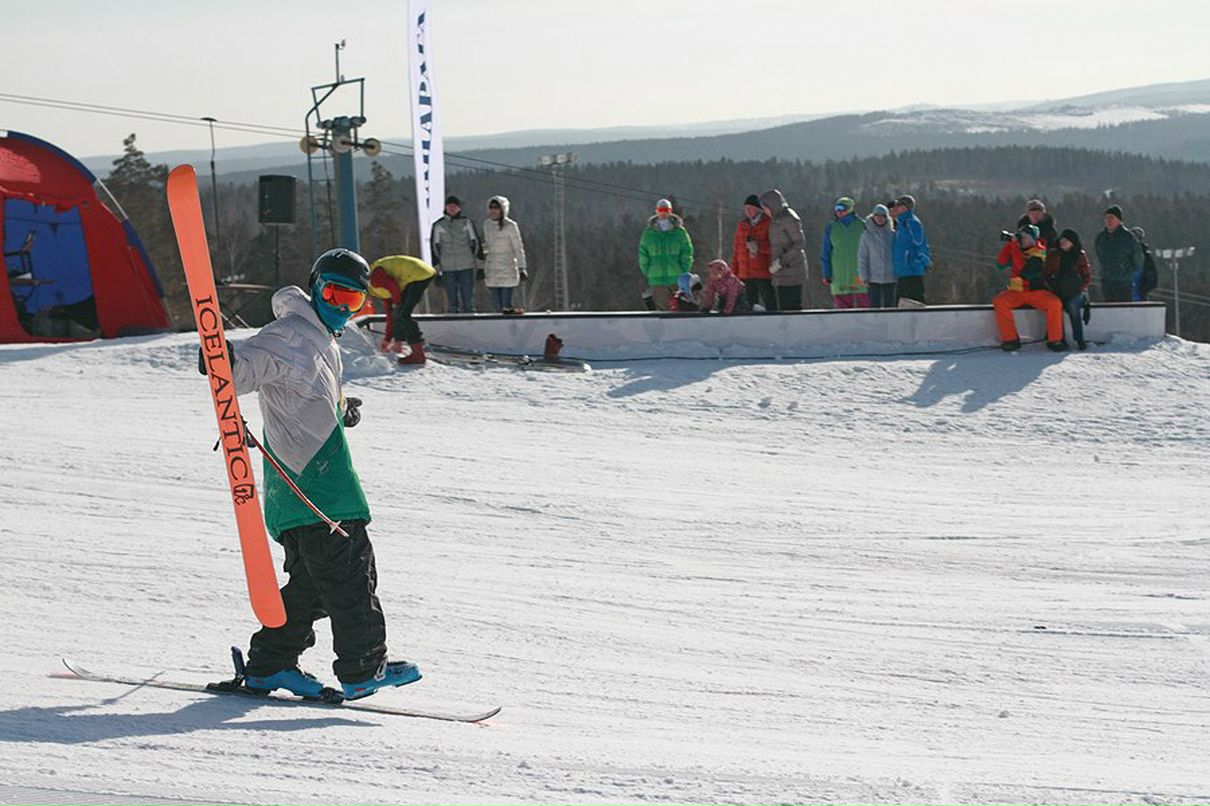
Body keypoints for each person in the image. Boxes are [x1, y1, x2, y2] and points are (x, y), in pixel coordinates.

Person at [220, 248, 421, 701]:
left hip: (305, 488)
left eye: (352, 301)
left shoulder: (319, 340)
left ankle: (270, 665)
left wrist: (339, 410)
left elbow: (299, 391)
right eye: (332, 292)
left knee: (312, 587)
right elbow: (246, 370)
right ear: (314, 287)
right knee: (352, 578)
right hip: (316, 490)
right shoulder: (290, 334)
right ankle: (363, 667)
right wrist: (223, 360)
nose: (339, 305)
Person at [992, 225, 1066, 352]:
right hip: (1016, 291)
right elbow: (1000, 264)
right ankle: (1010, 339)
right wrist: (1010, 245)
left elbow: (1024, 271)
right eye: (1021, 237)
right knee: (1000, 302)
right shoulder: (1017, 248)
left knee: (1054, 303)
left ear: (1033, 239)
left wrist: (1014, 246)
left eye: (1025, 237)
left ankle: (1055, 340)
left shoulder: (1039, 251)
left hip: (1036, 292)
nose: (1022, 240)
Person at [369, 254, 437, 364]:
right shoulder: (377, 289)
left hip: (418, 274)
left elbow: (393, 286)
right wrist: (389, 339)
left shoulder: (374, 279)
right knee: (400, 313)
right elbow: (391, 315)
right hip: (418, 273)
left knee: (403, 314)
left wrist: (399, 306)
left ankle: (418, 355)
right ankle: (414, 349)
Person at [430, 195, 483, 313]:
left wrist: (480, 266)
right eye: (450, 206)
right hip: (447, 268)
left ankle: (471, 324)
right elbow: (434, 249)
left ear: (459, 208)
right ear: (445, 208)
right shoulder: (438, 225)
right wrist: (437, 271)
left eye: (455, 206)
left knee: (468, 300)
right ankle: (453, 325)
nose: (452, 208)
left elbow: (477, 244)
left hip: (466, 266)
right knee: (452, 302)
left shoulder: (467, 222)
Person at [638, 198, 694, 310]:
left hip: (676, 277)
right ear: (657, 211)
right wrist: (647, 270)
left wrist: (683, 270)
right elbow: (643, 253)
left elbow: (687, 252)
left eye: (666, 209)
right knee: (662, 308)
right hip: (656, 278)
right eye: (661, 209)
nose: (663, 212)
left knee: (678, 307)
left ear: (670, 211)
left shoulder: (679, 232)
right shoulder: (648, 233)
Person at [1043, 228, 1093, 351]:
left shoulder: (1079, 255)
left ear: (1073, 243)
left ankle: (1079, 338)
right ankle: (1059, 338)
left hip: (1077, 291)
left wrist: (1079, 288)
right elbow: (1046, 273)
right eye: (1063, 239)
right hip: (1058, 289)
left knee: (1072, 306)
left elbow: (1086, 276)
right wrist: (1053, 287)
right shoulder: (1053, 254)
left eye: (1067, 240)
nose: (1063, 242)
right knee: (1056, 306)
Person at [759, 188, 808, 311]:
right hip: (782, 272)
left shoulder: (788, 218)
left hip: (792, 270)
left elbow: (799, 243)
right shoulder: (776, 219)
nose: (765, 212)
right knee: (784, 307)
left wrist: (781, 261)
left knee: (792, 307)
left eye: (765, 208)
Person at [820, 196, 869, 308]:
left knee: (865, 306)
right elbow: (825, 252)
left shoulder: (862, 225)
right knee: (843, 309)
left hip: (859, 274)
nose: (839, 211)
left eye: (842, 208)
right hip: (839, 274)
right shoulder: (832, 228)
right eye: (837, 208)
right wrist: (826, 273)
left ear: (850, 209)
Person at [481, 195, 528, 313]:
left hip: (507, 267)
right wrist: (481, 254)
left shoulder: (511, 226)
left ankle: (510, 326)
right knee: (496, 305)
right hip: (492, 268)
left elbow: (518, 247)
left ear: (503, 209)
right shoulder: (487, 225)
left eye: (496, 207)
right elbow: (488, 245)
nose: (493, 210)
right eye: (491, 207)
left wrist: (522, 267)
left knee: (506, 304)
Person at [731, 194, 777, 311]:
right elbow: (736, 250)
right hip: (744, 273)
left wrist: (759, 247)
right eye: (746, 209)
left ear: (759, 209)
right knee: (748, 306)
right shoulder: (742, 225)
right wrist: (734, 273)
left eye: (751, 208)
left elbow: (775, 247)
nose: (748, 211)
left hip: (763, 272)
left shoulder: (768, 223)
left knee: (770, 303)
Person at [1093, 204, 1142, 303]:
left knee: (1123, 311)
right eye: (1106, 218)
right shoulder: (1101, 238)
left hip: (1123, 282)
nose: (1109, 221)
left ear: (1119, 220)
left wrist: (1126, 271)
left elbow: (1137, 259)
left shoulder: (1128, 238)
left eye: (1112, 218)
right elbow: (1099, 255)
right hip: (1106, 281)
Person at [889, 195, 931, 305]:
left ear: (907, 207)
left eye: (899, 205)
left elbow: (920, 243)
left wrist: (925, 262)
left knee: (915, 303)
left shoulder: (912, 222)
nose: (896, 207)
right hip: (902, 271)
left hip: (911, 269)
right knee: (900, 305)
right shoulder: (900, 224)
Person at [857, 203, 896, 308]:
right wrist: (863, 276)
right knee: (874, 305)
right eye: (877, 216)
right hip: (873, 278)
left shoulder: (893, 235)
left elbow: (897, 255)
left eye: (882, 216)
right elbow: (862, 257)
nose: (879, 219)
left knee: (890, 305)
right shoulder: (866, 235)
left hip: (891, 277)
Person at [1130, 226, 1159, 301]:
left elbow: (1152, 280)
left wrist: (1143, 291)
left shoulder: (1147, 258)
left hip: (1139, 299)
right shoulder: (1121, 255)